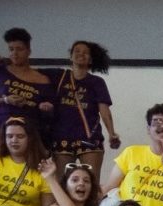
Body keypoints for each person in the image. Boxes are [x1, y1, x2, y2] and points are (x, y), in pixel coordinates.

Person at [47, 40, 118, 174]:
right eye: (77, 51)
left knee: (92, 181)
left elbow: (104, 109)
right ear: (70, 56)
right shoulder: (59, 76)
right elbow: (31, 73)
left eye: (86, 53)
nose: (81, 54)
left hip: (89, 137)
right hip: (62, 136)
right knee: (63, 183)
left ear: (90, 59)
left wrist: (111, 133)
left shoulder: (97, 82)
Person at [0, 28, 53, 132]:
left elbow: (49, 114)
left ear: (29, 51)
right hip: (1, 132)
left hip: (30, 134)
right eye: (11, 49)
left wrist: (47, 108)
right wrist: (5, 100)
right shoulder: (1, 72)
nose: (15, 53)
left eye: (19, 49)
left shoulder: (42, 80)